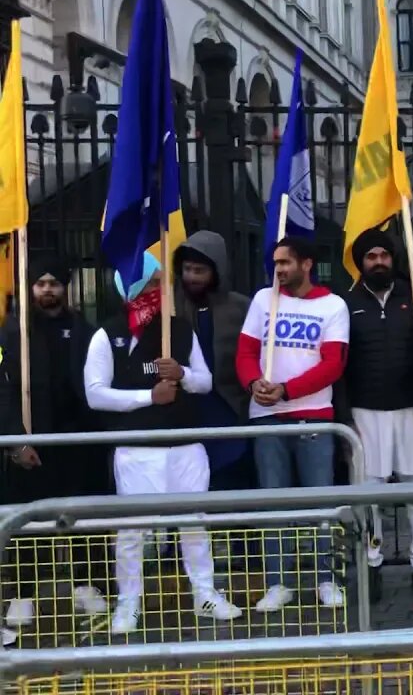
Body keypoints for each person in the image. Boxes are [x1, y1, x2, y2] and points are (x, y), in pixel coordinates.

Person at [84, 252, 242, 634]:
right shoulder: (108, 334)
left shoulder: (180, 329)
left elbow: (205, 381)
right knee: (133, 531)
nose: (160, 290)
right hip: (138, 450)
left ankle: (204, 594)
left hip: (186, 445)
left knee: (195, 524)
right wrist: (147, 398)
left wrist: (183, 373)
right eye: (153, 284)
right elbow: (96, 394)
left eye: (161, 283)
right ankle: (128, 603)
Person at [236, 236, 349, 612]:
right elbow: (246, 351)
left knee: (320, 503)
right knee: (274, 503)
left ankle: (326, 578)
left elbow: (333, 364)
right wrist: (254, 383)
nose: (279, 270)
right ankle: (277, 583)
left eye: (285, 262)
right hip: (267, 417)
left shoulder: (333, 305)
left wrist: (286, 390)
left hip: (314, 415)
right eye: (276, 263)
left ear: (306, 264)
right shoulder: (261, 300)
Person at [0, 258, 110, 644]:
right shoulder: (12, 332)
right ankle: (24, 596)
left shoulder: (86, 331)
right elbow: (4, 393)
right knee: (30, 522)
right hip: (32, 443)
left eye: (54, 283)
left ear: (66, 287)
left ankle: (88, 586)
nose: (47, 290)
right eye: (40, 283)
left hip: (80, 442)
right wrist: (17, 440)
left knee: (84, 515)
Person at [342, 228, 413, 604]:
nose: (379, 262)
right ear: (361, 263)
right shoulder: (344, 304)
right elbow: (340, 364)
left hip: (412, 409)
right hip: (365, 411)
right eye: (371, 257)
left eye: (384, 255)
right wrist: (344, 415)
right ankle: (372, 565)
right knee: (370, 493)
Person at [173, 232, 252, 491]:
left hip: (229, 408)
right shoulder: (170, 305)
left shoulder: (241, 307)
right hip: (186, 410)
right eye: (187, 269)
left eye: (199, 270)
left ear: (216, 271)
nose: (192, 277)